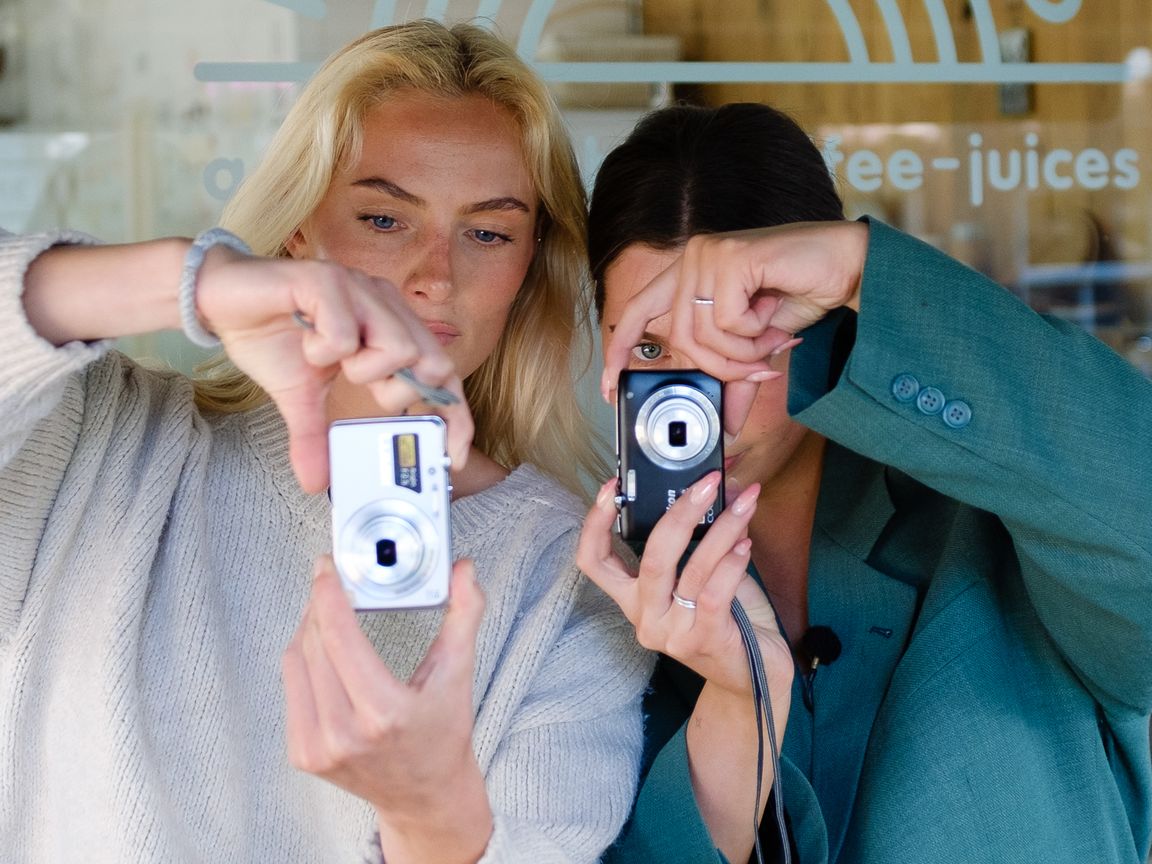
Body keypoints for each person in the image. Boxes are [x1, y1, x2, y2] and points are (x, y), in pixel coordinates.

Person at [0, 20, 651, 864]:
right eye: (383, 218)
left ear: (530, 264)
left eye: (488, 233)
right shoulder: (100, 441)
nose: (435, 275)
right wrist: (197, 280)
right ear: (300, 230)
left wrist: (430, 817)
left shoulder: (568, 574)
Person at [576, 102, 1152, 864]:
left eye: (738, 333)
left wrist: (862, 268)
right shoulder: (600, 603)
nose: (704, 401)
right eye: (651, 349)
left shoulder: (1004, 513)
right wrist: (735, 711)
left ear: (817, 315)